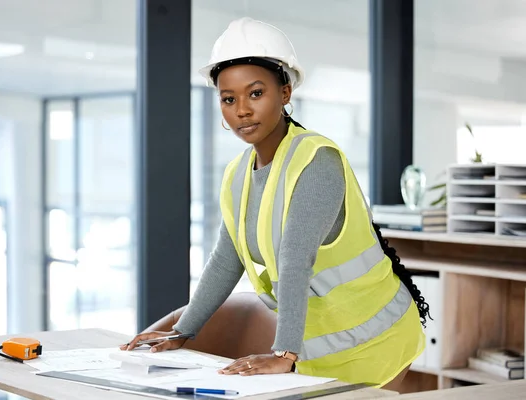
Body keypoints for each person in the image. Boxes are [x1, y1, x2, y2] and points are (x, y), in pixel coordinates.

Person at [122, 17, 430, 389]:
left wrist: (283, 354)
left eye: (255, 93)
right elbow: (226, 258)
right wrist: (182, 332)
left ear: (284, 92)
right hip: (318, 353)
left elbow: (295, 259)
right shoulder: (238, 174)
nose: (242, 110)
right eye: (228, 99)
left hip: (378, 339)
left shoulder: (317, 160)